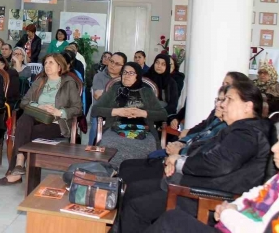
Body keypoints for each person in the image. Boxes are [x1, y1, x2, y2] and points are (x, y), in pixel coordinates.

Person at [115, 80, 272, 232]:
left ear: (247, 106)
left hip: (203, 196)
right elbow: (203, 152)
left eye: (229, 100)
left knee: (136, 208)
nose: (223, 104)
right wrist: (178, 159)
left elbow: (217, 164)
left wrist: (179, 163)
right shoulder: (239, 130)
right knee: (133, 191)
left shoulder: (247, 134)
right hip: (193, 186)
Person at [144, 138, 279, 233]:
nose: (274, 148)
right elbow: (255, 194)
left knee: (169, 222)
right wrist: (234, 205)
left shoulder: (244, 136)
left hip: (225, 215)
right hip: (231, 220)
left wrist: (227, 213)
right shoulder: (276, 179)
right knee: (172, 218)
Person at [0, 53, 82, 186]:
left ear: (60, 66)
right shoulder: (40, 80)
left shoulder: (69, 83)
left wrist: (59, 111)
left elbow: (78, 108)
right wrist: (39, 106)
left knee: (26, 132)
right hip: (37, 116)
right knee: (24, 119)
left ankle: (16, 171)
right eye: (45, 63)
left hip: (57, 123)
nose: (47, 66)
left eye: (51, 63)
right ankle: (19, 162)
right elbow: (24, 102)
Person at [118, 85, 229, 185]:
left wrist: (179, 153)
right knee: (126, 165)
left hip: (184, 167)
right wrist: (180, 143)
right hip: (180, 154)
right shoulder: (216, 121)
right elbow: (196, 135)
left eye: (223, 101)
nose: (218, 104)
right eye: (218, 100)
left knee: (130, 174)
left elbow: (202, 152)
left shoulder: (226, 131)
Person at [92, 62, 167, 168]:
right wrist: (117, 111)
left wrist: (143, 113)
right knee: (109, 143)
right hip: (115, 129)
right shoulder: (114, 90)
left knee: (147, 147)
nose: (126, 75)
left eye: (131, 73)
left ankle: (136, 176)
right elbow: (95, 110)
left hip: (144, 131)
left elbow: (163, 114)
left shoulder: (147, 92)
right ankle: (110, 173)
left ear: (138, 76)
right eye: (125, 72)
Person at [88, 52, 127, 145]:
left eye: (117, 64)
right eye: (111, 61)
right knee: (95, 126)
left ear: (123, 66)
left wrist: (105, 93)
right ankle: (91, 148)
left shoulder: (125, 78)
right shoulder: (99, 76)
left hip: (120, 113)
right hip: (100, 112)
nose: (112, 65)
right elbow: (98, 96)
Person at [145, 53, 180, 127]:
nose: (159, 66)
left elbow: (173, 105)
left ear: (167, 66)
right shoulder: (145, 79)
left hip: (163, 115)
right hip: (144, 114)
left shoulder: (171, 82)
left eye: (163, 64)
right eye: (157, 62)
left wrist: (159, 113)